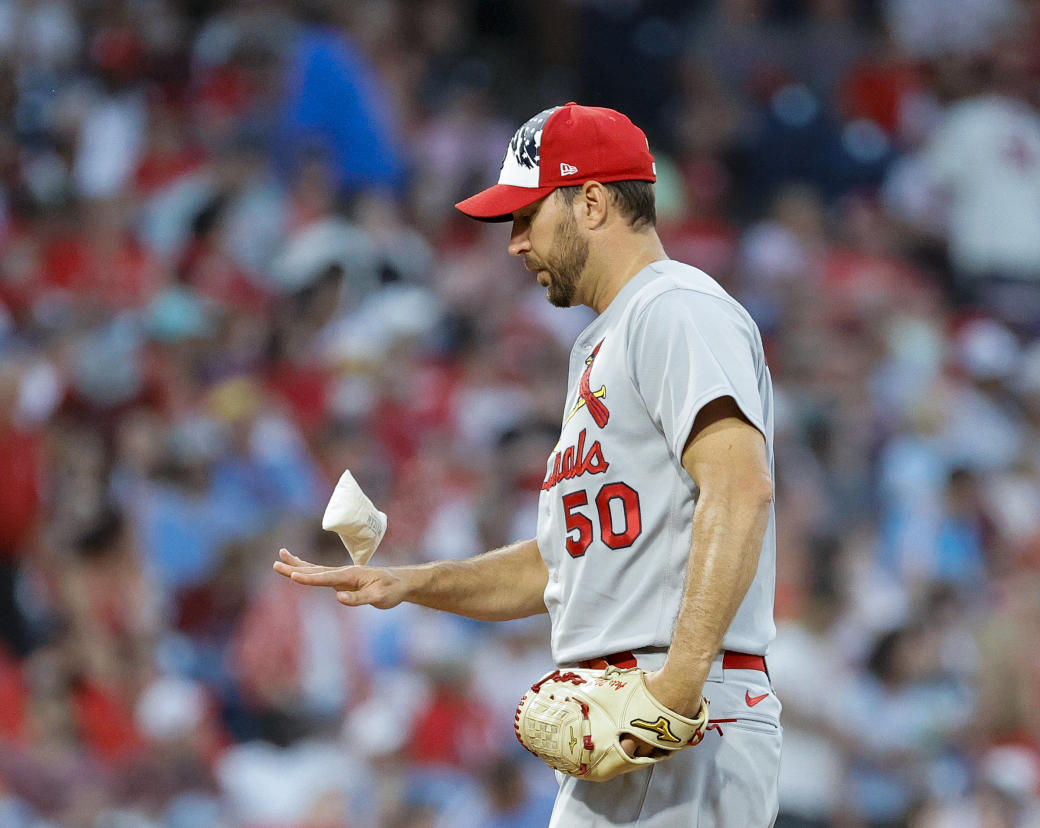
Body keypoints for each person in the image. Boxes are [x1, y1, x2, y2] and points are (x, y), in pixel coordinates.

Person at [273, 102, 781, 827]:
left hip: (682, 714)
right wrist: (410, 582)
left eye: (527, 216)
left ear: (594, 202)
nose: (513, 243)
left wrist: (677, 687)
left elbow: (741, 487)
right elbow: (560, 567)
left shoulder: (675, 307)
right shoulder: (605, 342)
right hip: (634, 711)